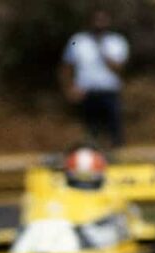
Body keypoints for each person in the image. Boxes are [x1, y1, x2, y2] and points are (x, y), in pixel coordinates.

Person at [61, 8, 129, 150]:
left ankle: (116, 154)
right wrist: (69, 87)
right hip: (86, 92)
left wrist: (101, 49)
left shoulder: (117, 41)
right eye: (96, 20)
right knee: (91, 130)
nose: (99, 24)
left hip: (109, 91)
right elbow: (67, 65)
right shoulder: (77, 41)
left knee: (114, 128)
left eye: (102, 20)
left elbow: (119, 68)